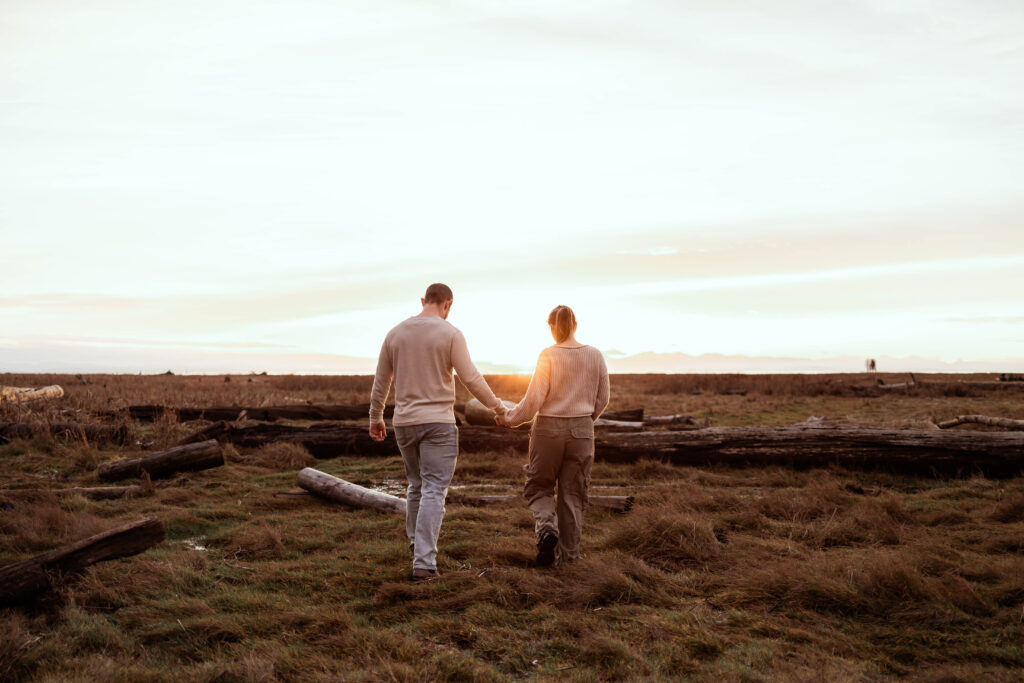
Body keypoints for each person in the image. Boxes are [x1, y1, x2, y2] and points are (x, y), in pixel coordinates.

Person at [369, 283, 507, 582]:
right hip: (438, 424)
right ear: (448, 304)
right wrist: (497, 407)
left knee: (416, 485)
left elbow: (382, 380)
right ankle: (424, 563)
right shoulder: (450, 334)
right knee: (433, 489)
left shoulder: (395, 333)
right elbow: (470, 377)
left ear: (423, 301)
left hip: (404, 423)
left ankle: (416, 544)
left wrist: (376, 417)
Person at [496, 305, 609, 567]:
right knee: (573, 495)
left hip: (548, 429)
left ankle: (547, 529)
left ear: (551, 327)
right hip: (582, 430)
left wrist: (509, 418)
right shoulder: (595, 355)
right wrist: (584, 422)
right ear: (575, 325)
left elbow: (534, 399)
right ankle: (569, 559)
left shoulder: (547, 355)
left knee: (540, 486)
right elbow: (603, 398)